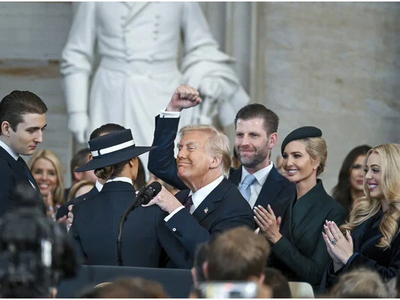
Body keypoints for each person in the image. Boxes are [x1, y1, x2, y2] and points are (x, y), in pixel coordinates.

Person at [60, 2, 249, 175]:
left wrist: (205, 75)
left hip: (161, 91)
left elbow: (201, 46)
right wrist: (77, 112)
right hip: (112, 94)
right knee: (110, 167)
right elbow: (76, 54)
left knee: (161, 161)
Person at [143, 87, 255, 268]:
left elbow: (218, 260)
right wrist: (172, 109)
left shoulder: (235, 207)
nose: (180, 155)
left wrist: (174, 209)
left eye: (191, 148)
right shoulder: (183, 196)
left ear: (215, 160)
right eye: (180, 148)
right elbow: (160, 163)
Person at [148, 87, 295, 209]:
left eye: (253, 135)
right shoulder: (212, 176)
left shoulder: (289, 191)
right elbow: (160, 164)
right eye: (239, 135)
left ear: (272, 140)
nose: (244, 142)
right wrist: (173, 109)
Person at [253, 126, 346, 289]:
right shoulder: (278, 206)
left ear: (316, 161)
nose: (288, 163)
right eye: (285, 156)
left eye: (297, 156)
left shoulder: (333, 211)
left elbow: (316, 273)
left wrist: (276, 237)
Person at [69, 129, 173, 266]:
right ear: (132, 162)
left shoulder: (80, 210)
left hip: (96, 287)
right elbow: (177, 263)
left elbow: (71, 266)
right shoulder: (154, 208)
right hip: (145, 287)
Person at [321, 143, 400, 290]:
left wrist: (351, 259)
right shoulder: (364, 217)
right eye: (366, 170)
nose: (367, 176)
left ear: (394, 173)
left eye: (375, 170)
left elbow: (395, 282)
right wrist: (338, 263)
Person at [55, 123, 126, 221]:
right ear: (92, 159)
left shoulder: (144, 205)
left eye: (120, 152)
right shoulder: (72, 210)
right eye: (106, 151)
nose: (114, 160)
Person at [0, 90, 47, 217]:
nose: (39, 139)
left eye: (42, 129)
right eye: (32, 130)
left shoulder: (15, 160)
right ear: (6, 128)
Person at [332, 145, 372, 218]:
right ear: (347, 171)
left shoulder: (382, 209)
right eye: (357, 167)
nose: (361, 174)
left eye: (366, 169)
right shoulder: (334, 208)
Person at [28, 149, 65, 219]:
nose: (44, 178)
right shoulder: (18, 209)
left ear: (58, 178)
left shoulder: (67, 211)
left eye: (51, 173)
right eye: (38, 172)